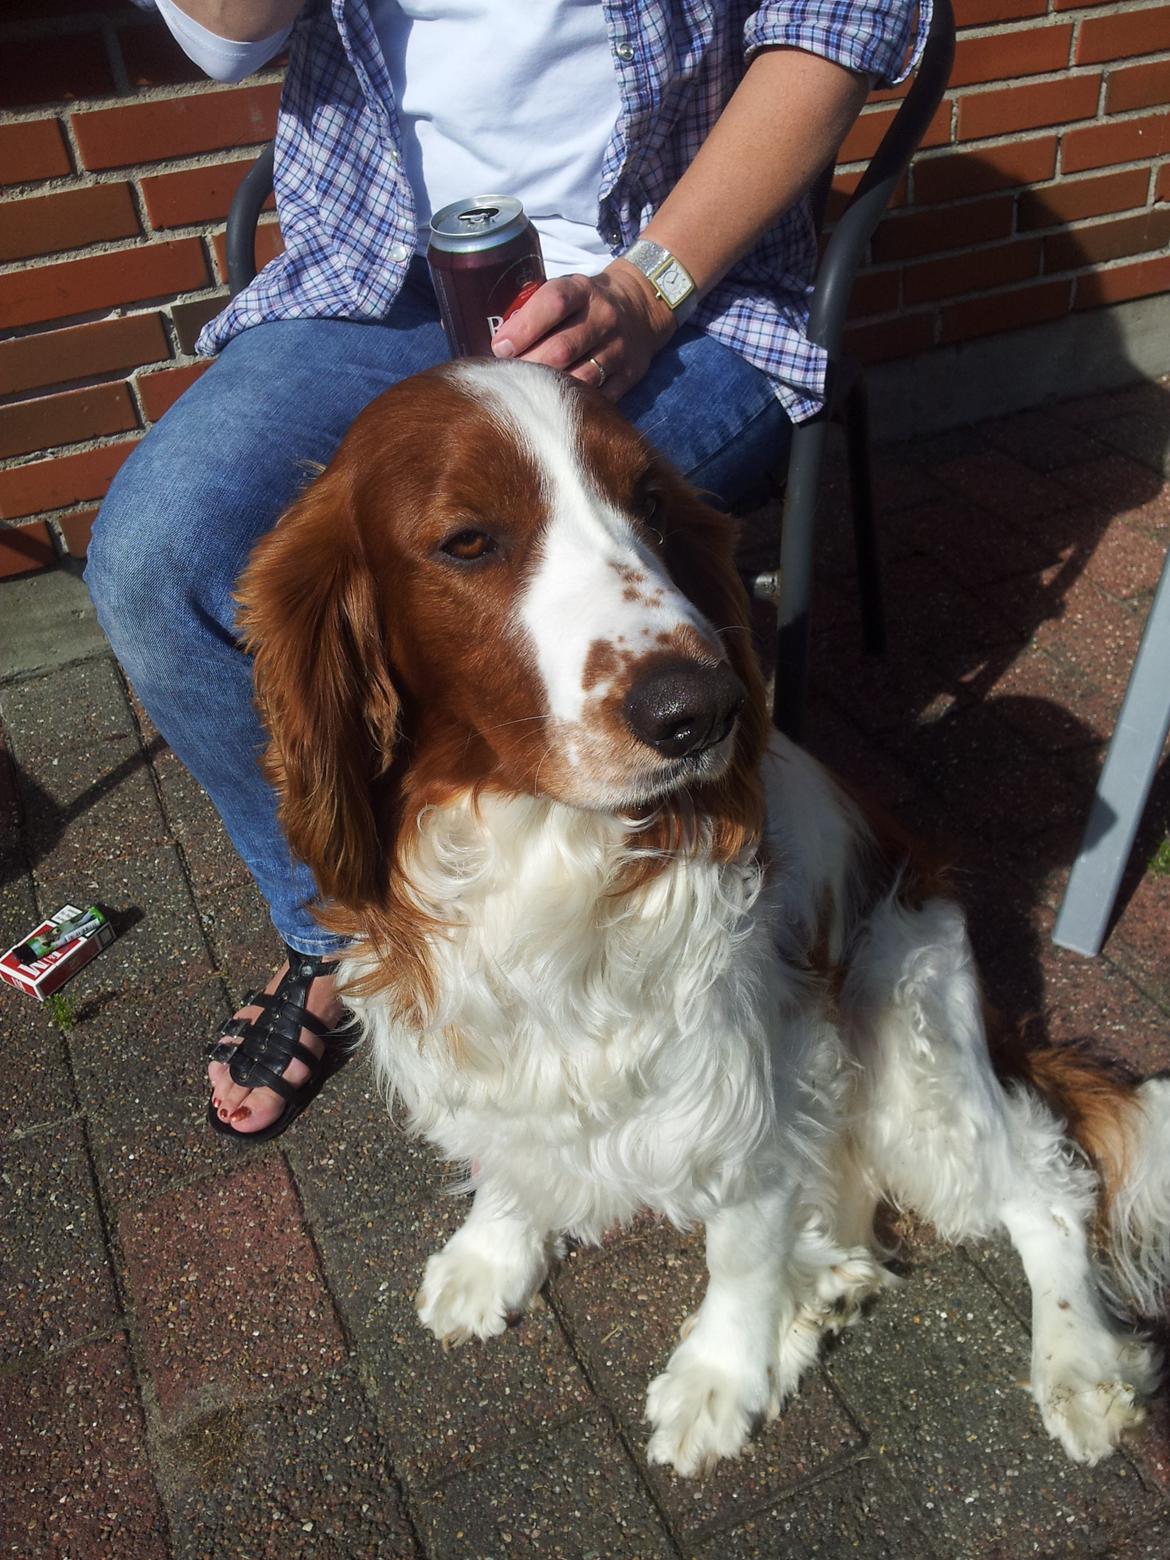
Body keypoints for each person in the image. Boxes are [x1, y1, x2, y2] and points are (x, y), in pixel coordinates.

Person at [86, 0, 928, 1141]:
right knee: (157, 556)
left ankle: (657, 929)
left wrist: (645, 288)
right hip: (379, 283)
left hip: (684, 283)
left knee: (606, 571)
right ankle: (346, 923)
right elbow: (222, 39)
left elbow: (841, 24)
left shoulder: (667, 282)